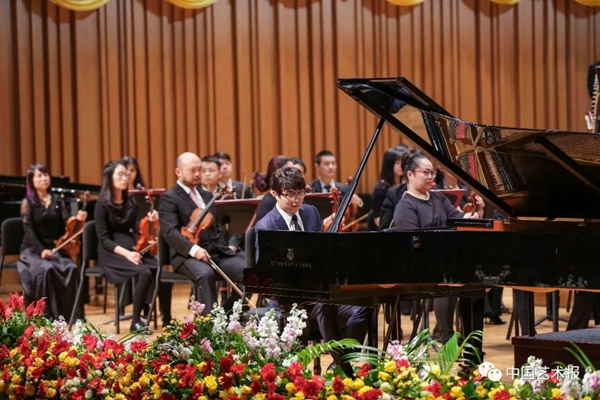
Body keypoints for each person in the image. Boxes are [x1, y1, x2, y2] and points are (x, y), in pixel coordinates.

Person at [254, 166, 368, 377]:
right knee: (325, 304)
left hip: (318, 289)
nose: (296, 200)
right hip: (288, 296)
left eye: (300, 193)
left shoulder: (310, 212)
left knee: (364, 306)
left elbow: (320, 252)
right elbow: (268, 274)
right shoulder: (266, 226)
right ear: (275, 194)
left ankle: (340, 363)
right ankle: (346, 372)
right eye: (290, 194)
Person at [393, 150, 484, 345]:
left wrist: (475, 214)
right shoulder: (405, 206)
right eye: (425, 172)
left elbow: (457, 218)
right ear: (410, 174)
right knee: (448, 278)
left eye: (432, 172)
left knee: (475, 280)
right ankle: (446, 334)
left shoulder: (438, 198)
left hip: (443, 260)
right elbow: (413, 244)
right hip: (418, 265)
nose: (430, 177)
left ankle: (471, 343)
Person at [158, 152, 246, 315]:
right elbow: (169, 232)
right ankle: (210, 324)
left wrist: (225, 246)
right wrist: (194, 250)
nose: (198, 174)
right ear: (178, 172)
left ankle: (225, 314)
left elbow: (217, 228)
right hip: (186, 255)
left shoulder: (206, 195)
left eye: (200, 169)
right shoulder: (169, 198)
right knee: (205, 274)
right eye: (193, 170)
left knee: (249, 274)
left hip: (215, 251)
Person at [95, 160, 171, 332]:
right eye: (120, 174)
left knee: (162, 272)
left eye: (126, 174)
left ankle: (167, 318)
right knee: (144, 272)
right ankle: (135, 321)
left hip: (132, 247)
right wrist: (127, 254)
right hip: (111, 252)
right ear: (109, 177)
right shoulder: (101, 204)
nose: (125, 178)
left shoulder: (131, 202)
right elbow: (104, 239)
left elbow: (138, 226)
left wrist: (150, 221)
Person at [17, 163, 86, 321]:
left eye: (46, 175)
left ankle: (72, 317)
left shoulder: (57, 200)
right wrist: (41, 250)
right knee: (46, 269)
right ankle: (48, 317)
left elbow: (66, 224)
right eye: (39, 176)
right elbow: (29, 231)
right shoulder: (28, 202)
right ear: (31, 181)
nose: (44, 178)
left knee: (71, 268)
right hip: (33, 250)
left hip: (55, 247)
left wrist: (78, 220)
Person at [370, 146, 408, 229]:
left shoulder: (407, 185)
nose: (401, 166)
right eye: (397, 163)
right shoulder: (380, 189)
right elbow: (378, 220)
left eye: (402, 162)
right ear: (389, 165)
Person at [252, 155, 294, 222]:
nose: (295, 175)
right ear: (277, 175)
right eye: (290, 172)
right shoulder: (268, 203)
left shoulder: (297, 198)